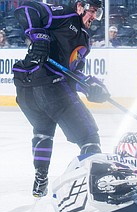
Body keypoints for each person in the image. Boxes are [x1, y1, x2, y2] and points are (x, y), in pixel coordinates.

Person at [12, 0, 110, 198]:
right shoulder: (65, 14)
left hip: (29, 92)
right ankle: (96, 188)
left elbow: (73, 75)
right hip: (47, 87)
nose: (93, 17)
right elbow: (25, 8)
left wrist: (91, 86)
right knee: (88, 136)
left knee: (42, 132)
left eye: (97, 14)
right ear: (80, 6)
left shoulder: (84, 40)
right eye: (92, 11)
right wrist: (38, 38)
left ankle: (40, 181)